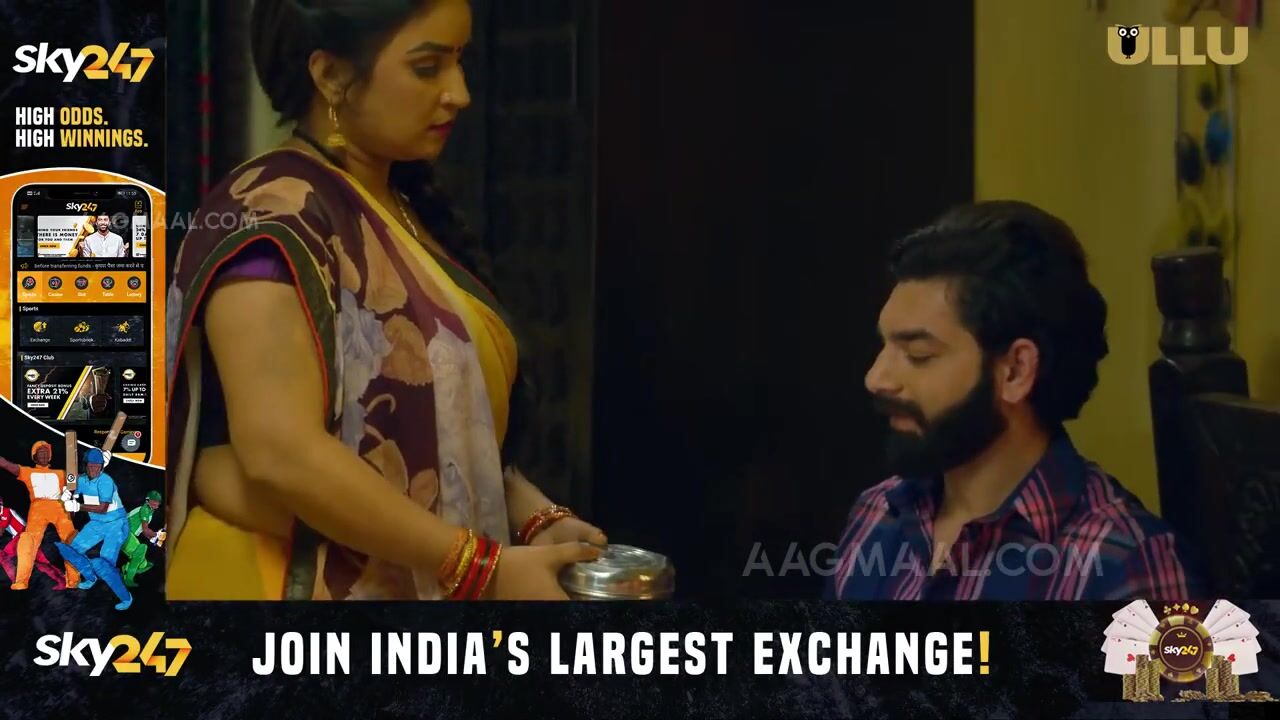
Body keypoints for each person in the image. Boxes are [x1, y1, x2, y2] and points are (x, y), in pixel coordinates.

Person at [165, 0, 606, 601]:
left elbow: (430, 428)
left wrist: (533, 518)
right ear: (330, 75)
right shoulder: (273, 217)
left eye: (460, 61)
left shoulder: (399, 204)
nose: (460, 94)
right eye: (428, 68)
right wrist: (482, 569)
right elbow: (279, 451)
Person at [827, 201, 1202, 601]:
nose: (877, 378)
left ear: (1016, 370)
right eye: (884, 346)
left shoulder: (1128, 563)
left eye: (918, 355)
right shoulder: (877, 513)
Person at [55, 448, 133, 610]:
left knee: (104, 564)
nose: (94, 470)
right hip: (97, 523)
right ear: (86, 466)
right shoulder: (82, 480)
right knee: (71, 551)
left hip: (116, 524)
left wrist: (77, 506)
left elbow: (103, 508)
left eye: (97, 466)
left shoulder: (106, 481)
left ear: (102, 466)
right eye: (91, 466)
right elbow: (72, 486)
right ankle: (90, 577)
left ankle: (126, 598)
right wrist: (66, 493)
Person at [0, 441, 79, 590]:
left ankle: (73, 579)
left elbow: (78, 481)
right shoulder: (28, 472)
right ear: (34, 457)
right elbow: (6, 464)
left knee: (70, 540)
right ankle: (21, 581)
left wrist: (73, 500)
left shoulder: (60, 473)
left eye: (46, 453)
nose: (43, 455)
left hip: (58, 507)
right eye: (40, 453)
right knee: (27, 541)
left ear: (50, 456)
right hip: (38, 509)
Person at [0, 492, 64, 588]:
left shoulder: (6, 511)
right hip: (22, 537)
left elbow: (1, 530)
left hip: (24, 534)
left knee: (5, 554)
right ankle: (62, 581)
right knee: (41, 562)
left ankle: (16, 579)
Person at [121, 490, 163, 587]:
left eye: (157, 504)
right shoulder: (145, 510)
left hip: (126, 534)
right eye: (154, 503)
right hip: (125, 532)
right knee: (142, 548)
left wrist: (156, 538)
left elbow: (145, 532)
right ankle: (128, 579)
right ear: (147, 500)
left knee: (143, 564)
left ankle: (126, 569)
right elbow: (146, 530)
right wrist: (158, 535)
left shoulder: (149, 511)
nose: (156, 506)